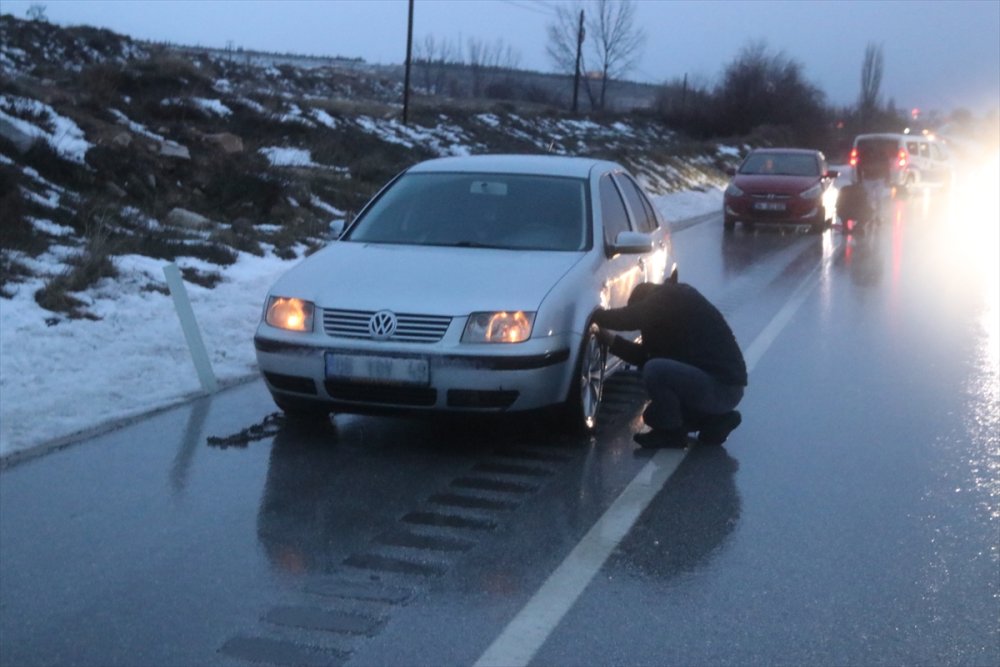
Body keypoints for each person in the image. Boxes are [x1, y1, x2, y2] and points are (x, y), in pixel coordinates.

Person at [592, 278, 747, 449]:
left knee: (655, 371)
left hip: (721, 386)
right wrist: (611, 342)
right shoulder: (672, 316)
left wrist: (593, 316)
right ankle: (715, 421)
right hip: (721, 388)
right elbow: (645, 356)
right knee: (653, 416)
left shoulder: (669, 296)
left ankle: (671, 435)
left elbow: (628, 319)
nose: (643, 327)